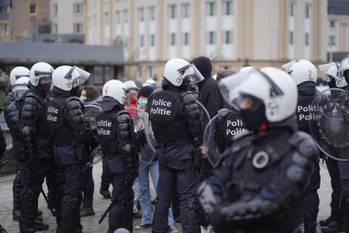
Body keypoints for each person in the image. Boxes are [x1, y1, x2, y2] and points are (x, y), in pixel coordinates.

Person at [198, 67, 317, 233]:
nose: (243, 107)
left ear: (272, 105)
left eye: (249, 101)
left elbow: (273, 202)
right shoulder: (243, 142)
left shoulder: (299, 145)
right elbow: (211, 185)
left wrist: (223, 215)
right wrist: (212, 209)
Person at [148, 58, 204, 233]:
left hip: (164, 153)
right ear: (177, 78)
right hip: (184, 154)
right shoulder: (185, 99)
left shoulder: (154, 97)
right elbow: (197, 129)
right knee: (187, 199)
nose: (190, 81)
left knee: (163, 198)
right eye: (187, 78)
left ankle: (158, 230)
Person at [46, 65, 97, 233]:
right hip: (71, 153)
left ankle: (74, 227)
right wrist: (94, 135)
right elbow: (82, 132)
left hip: (57, 152)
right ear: (68, 84)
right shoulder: (71, 102)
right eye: (75, 82)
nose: (78, 85)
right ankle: (65, 229)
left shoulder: (51, 99)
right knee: (73, 195)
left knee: (62, 192)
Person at [18, 62, 62, 233]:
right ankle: (27, 228)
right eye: (44, 79)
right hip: (37, 156)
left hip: (49, 154)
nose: (48, 82)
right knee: (30, 194)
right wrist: (30, 157)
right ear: (36, 79)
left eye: (49, 78)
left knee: (57, 190)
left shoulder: (45, 97)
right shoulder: (31, 100)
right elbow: (27, 131)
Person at [133, 86, 177, 232]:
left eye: (146, 98)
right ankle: (147, 219)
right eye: (141, 98)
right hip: (141, 158)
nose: (142, 101)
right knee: (143, 190)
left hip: (155, 158)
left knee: (162, 190)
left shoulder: (157, 114)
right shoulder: (136, 115)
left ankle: (169, 222)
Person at [95, 80, 138, 233]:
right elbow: (126, 147)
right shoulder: (121, 116)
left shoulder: (100, 115)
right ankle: (116, 230)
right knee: (121, 202)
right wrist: (132, 167)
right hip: (122, 165)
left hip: (109, 162)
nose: (126, 97)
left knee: (119, 200)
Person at [284, 60, 320, 233]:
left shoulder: (290, 99)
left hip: (293, 153)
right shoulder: (322, 96)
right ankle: (310, 227)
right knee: (312, 190)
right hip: (314, 151)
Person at [317, 62, 345, 232]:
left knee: (341, 184)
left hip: (341, 148)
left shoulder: (343, 97)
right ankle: (335, 215)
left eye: (331, 78)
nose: (328, 81)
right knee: (336, 184)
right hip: (332, 147)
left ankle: (339, 220)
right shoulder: (332, 97)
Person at [79, 86, 102, 217]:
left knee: (86, 177)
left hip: (87, 147)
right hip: (86, 147)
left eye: (83, 95)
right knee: (84, 176)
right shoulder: (91, 107)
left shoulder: (92, 109)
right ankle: (85, 204)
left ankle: (88, 205)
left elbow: (90, 130)